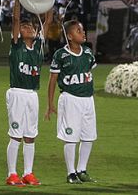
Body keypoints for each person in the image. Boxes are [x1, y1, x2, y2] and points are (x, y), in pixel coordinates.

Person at [4, 0, 58, 186]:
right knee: (15, 135)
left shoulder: (38, 46)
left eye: (32, 27)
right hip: (17, 92)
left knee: (30, 135)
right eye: (26, 27)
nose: (30, 28)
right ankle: (12, 174)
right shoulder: (17, 45)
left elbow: (48, 20)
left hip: (32, 94)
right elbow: (16, 18)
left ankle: (28, 173)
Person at [45, 20, 98, 184]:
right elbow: (52, 79)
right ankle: (71, 173)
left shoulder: (88, 52)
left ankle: (82, 170)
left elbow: (88, 73)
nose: (83, 32)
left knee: (89, 136)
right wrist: (50, 103)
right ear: (69, 36)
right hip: (70, 99)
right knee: (71, 137)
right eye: (78, 30)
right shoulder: (61, 55)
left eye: (82, 29)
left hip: (88, 99)